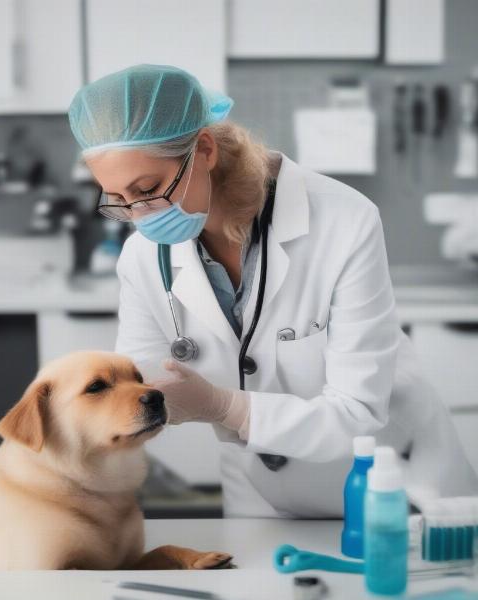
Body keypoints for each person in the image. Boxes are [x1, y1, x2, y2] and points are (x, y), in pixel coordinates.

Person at [68, 64, 478, 518]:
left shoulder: (344, 221)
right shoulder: (144, 257)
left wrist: (224, 406)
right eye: (118, 200)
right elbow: (138, 380)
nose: (140, 215)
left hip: (389, 480)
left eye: (148, 189)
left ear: (204, 149)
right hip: (260, 489)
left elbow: (357, 412)